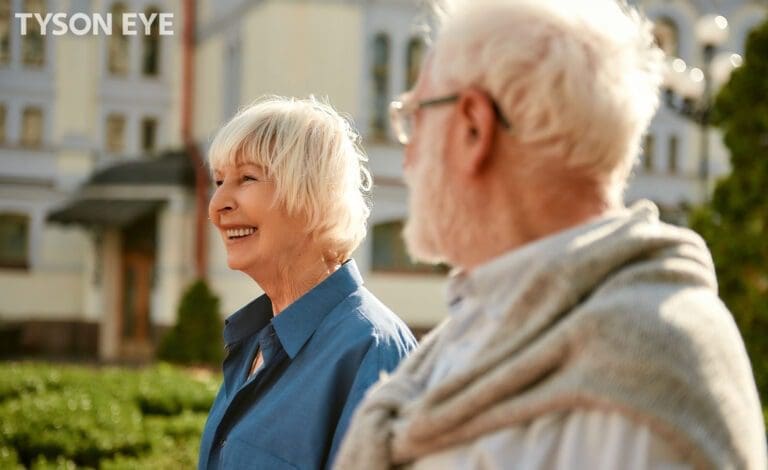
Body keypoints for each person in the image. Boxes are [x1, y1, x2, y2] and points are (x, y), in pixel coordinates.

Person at [335, 0, 766, 469]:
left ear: (474, 127)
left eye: (415, 117)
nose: (407, 154)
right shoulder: (477, 325)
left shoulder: (644, 372)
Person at [198, 96, 417, 470]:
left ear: (313, 195)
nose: (217, 205)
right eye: (219, 181)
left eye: (247, 178)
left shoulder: (371, 352)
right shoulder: (252, 342)